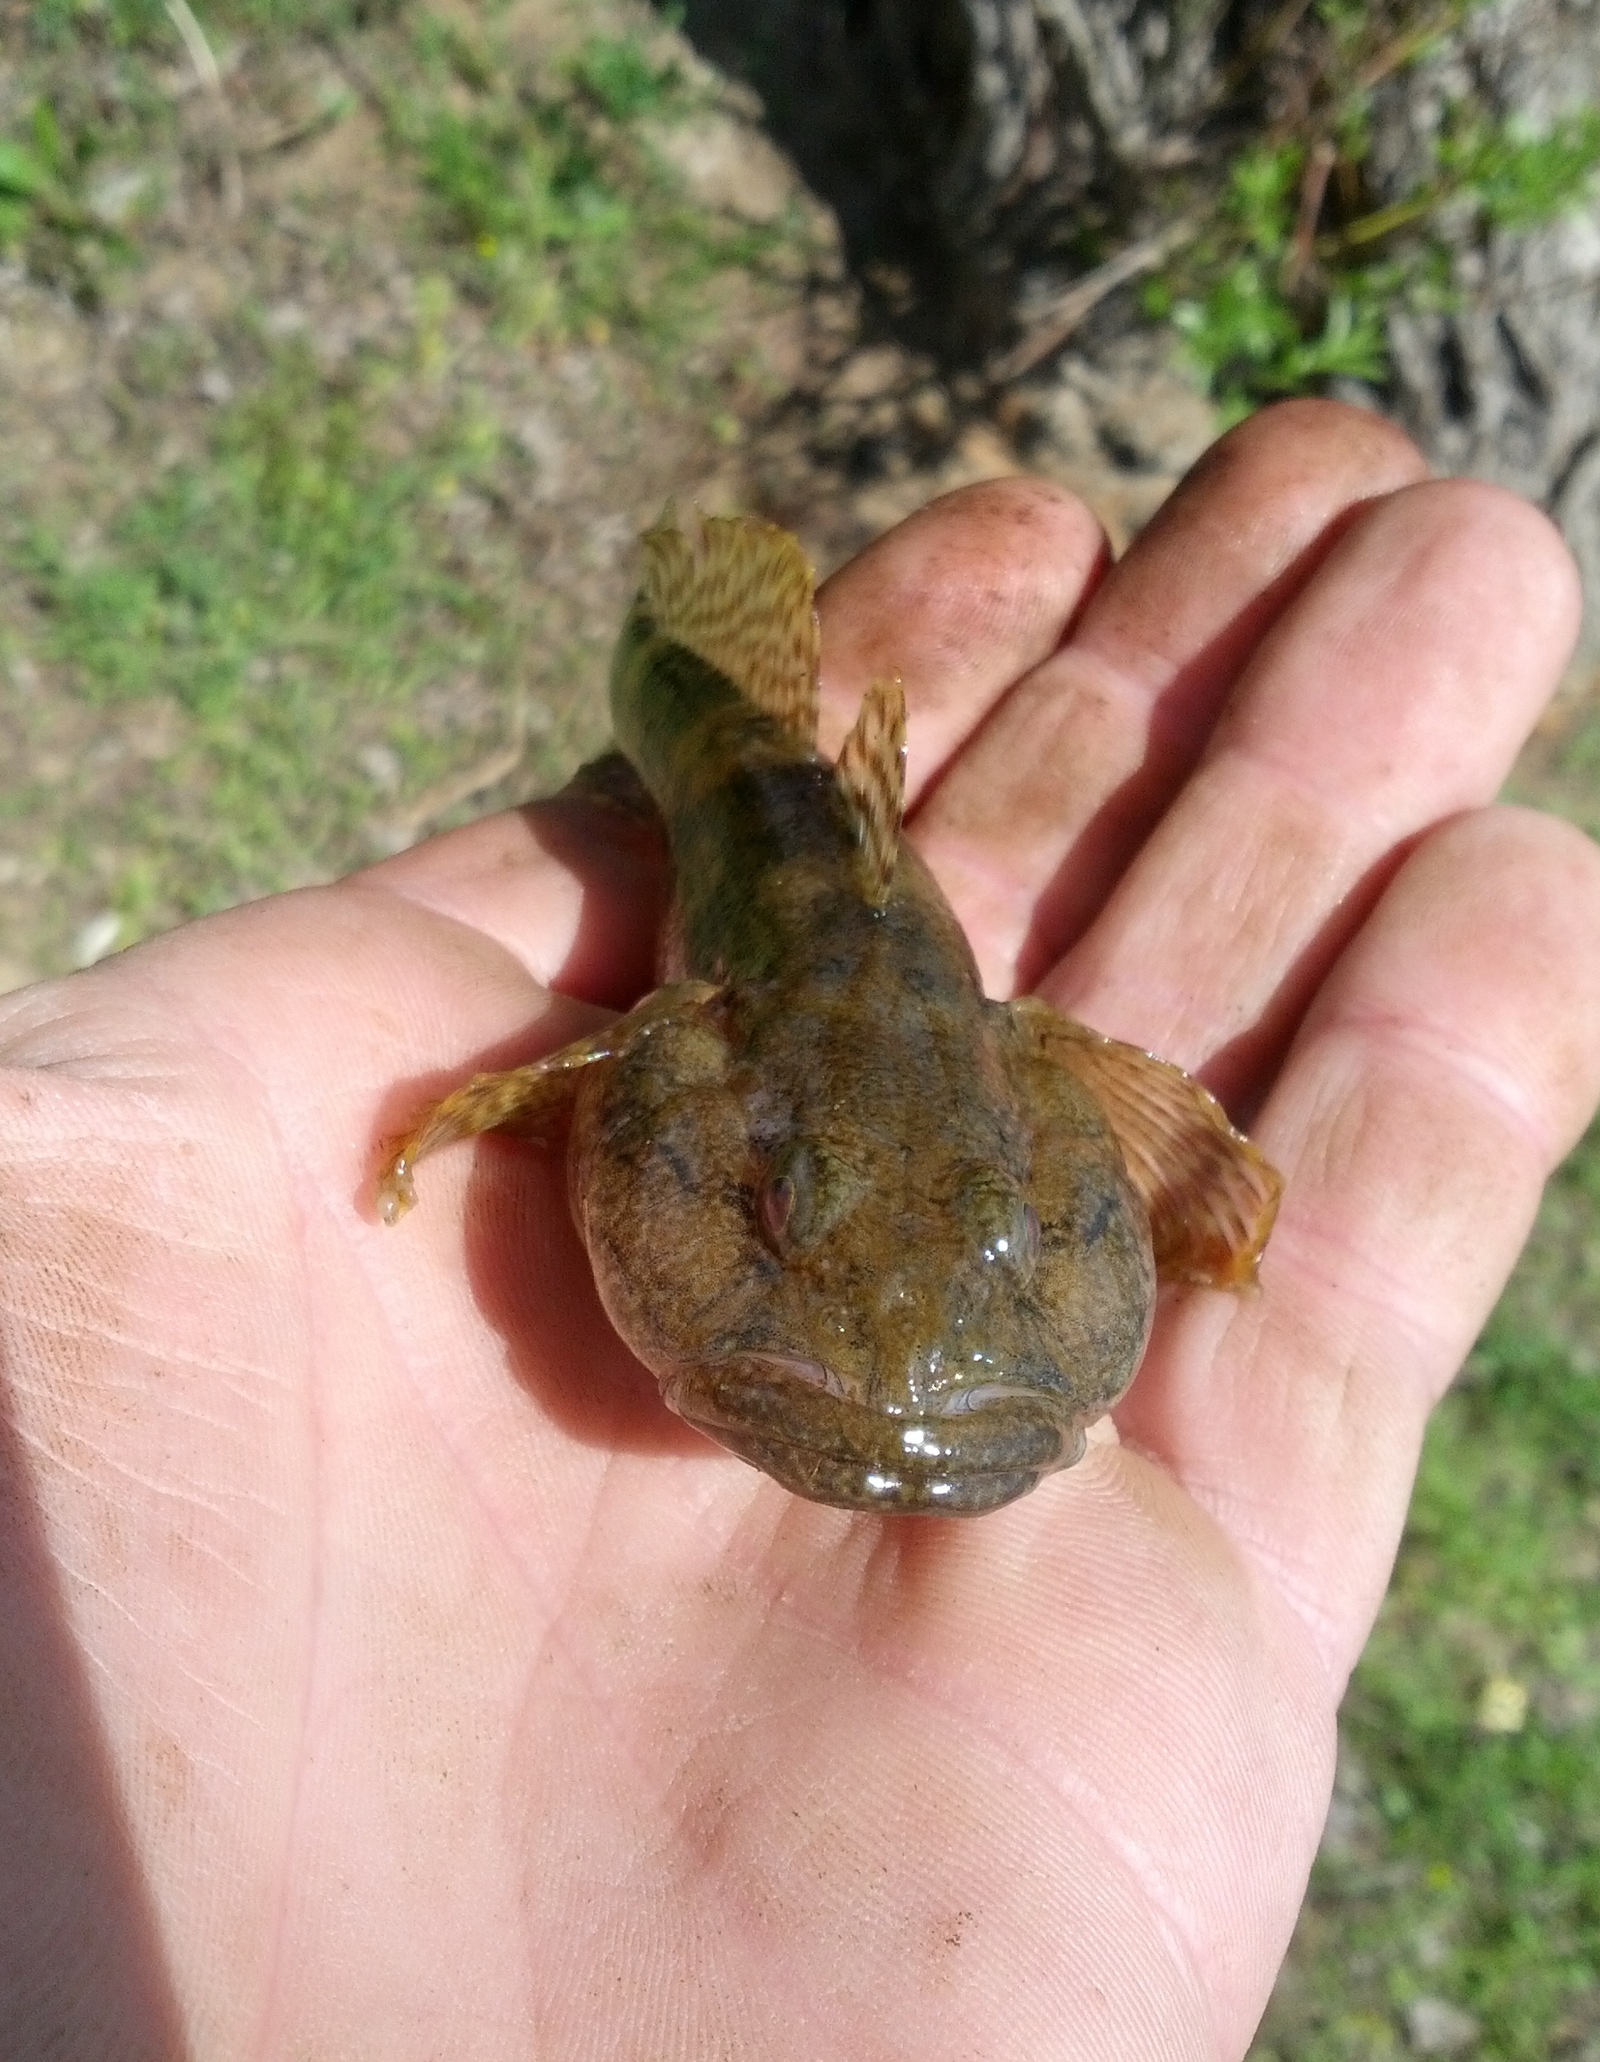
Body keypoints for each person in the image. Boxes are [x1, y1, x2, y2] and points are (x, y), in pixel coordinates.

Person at [0, 399, 1596, 2061]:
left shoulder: (1026, 1062)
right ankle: (672, 678)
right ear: (673, 1037)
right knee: (685, 685)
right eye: (780, 1216)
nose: (903, 1374)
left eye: (1002, 1232)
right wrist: (465, 1104)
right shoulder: (697, 1033)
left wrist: (1184, 1198)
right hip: (774, 898)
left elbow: (1138, 1176)